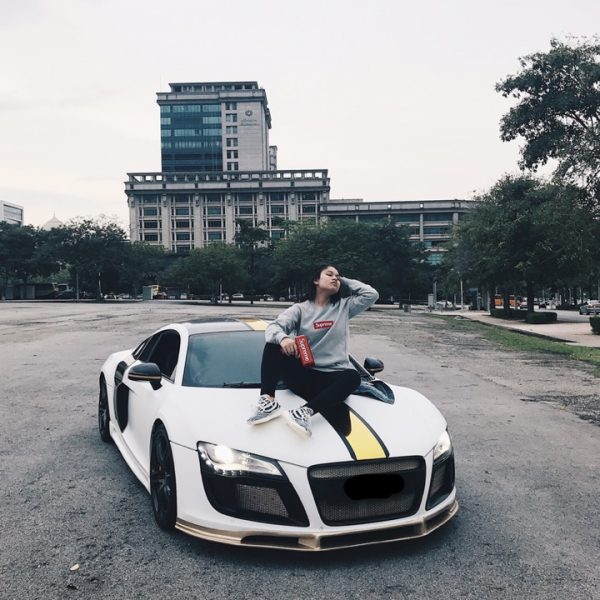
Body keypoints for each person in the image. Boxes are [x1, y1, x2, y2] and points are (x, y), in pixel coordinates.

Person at [247, 264, 379, 438]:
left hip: (331, 380)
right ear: (316, 280)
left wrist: (343, 280)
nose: (335, 278)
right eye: (329, 274)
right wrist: (284, 338)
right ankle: (268, 401)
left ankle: (303, 413)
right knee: (274, 344)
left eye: (338, 276)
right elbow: (273, 327)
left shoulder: (344, 306)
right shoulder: (300, 309)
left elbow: (371, 294)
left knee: (353, 376)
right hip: (304, 374)